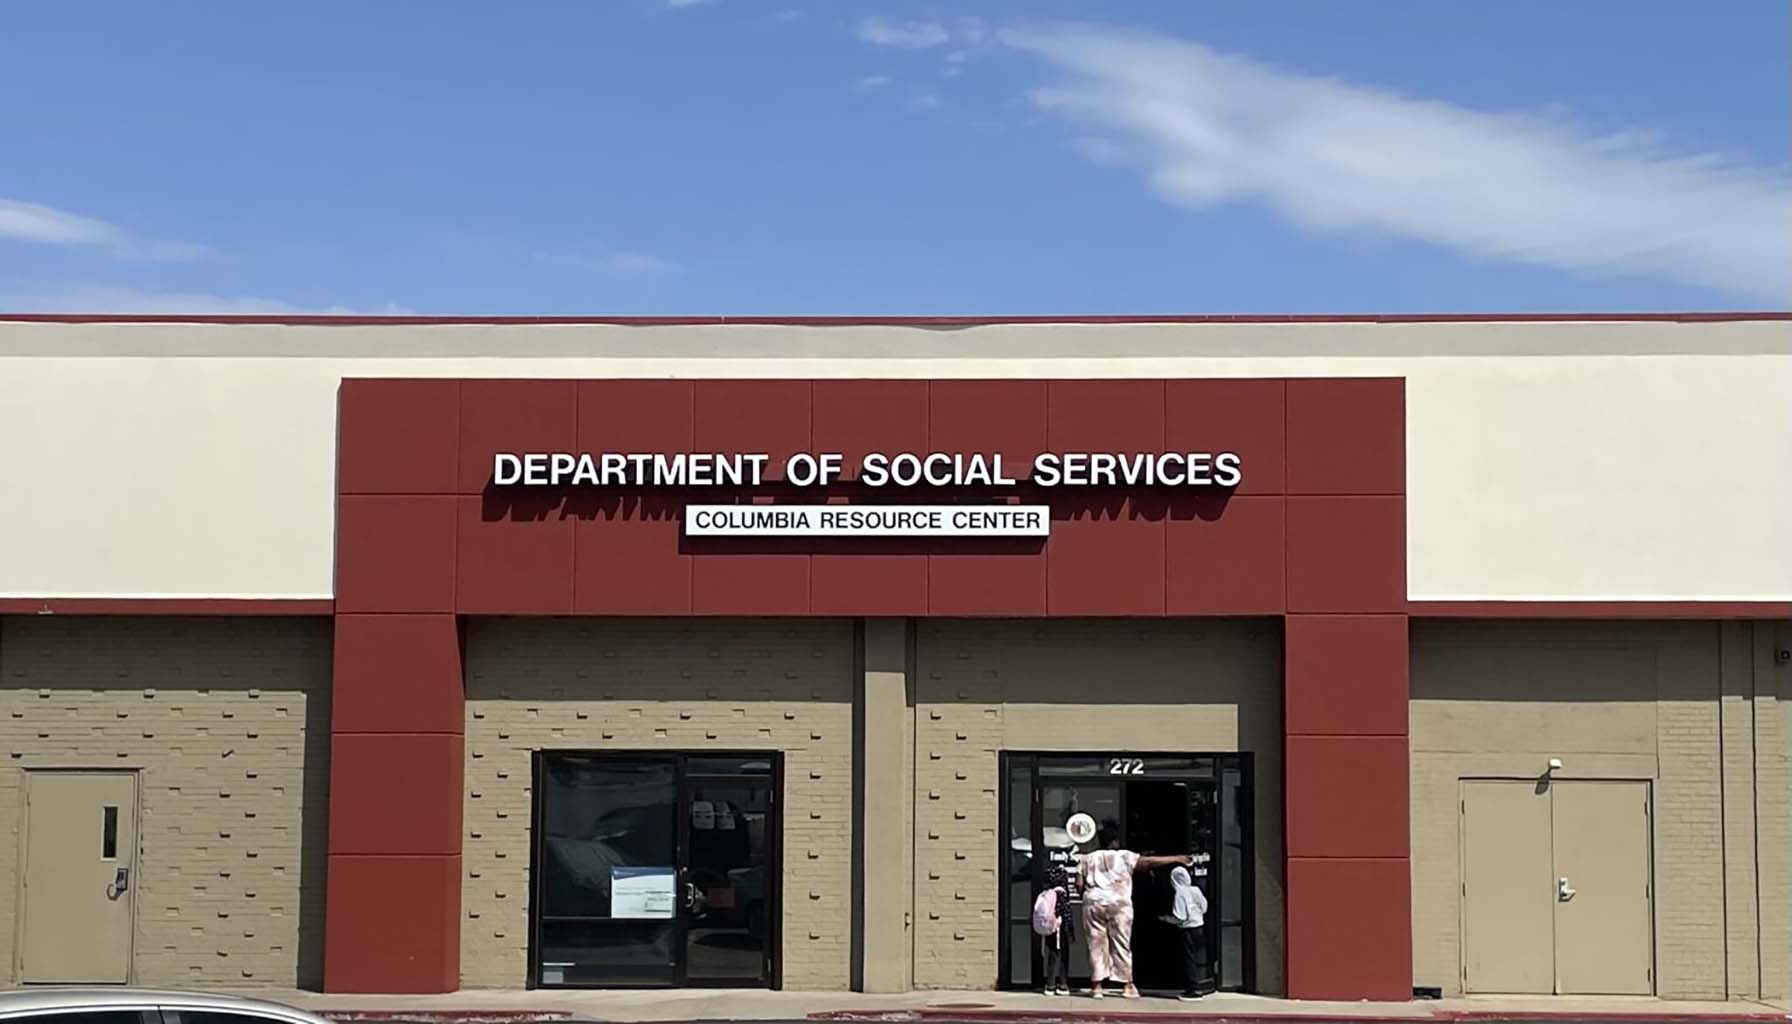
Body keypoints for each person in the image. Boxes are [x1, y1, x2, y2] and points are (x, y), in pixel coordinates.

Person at [1077, 827, 1193, 999]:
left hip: (1093, 902)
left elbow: (1079, 884)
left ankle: (1097, 987)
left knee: (1096, 944)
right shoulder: (1124, 856)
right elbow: (1148, 862)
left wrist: (1089, 897)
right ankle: (1127, 985)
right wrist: (1177, 858)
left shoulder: (1087, 859)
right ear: (1115, 842)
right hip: (1119, 905)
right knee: (1121, 942)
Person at [1161, 864, 1210, 1000]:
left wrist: (1166, 919)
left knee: (1188, 959)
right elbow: (1204, 907)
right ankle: (1198, 986)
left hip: (1187, 929)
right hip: (1199, 926)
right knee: (1195, 957)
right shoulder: (1195, 890)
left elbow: (1180, 917)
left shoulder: (1180, 894)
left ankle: (1193, 989)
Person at [1031, 863, 1075, 995]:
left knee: (1051, 956)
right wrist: (1071, 931)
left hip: (1050, 928)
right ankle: (1062, 984)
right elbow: (1065, 913)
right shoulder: (1061, 893)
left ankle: (1050, 984)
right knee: (1062, 956)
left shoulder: (1046, 893)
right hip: (1060, 930)